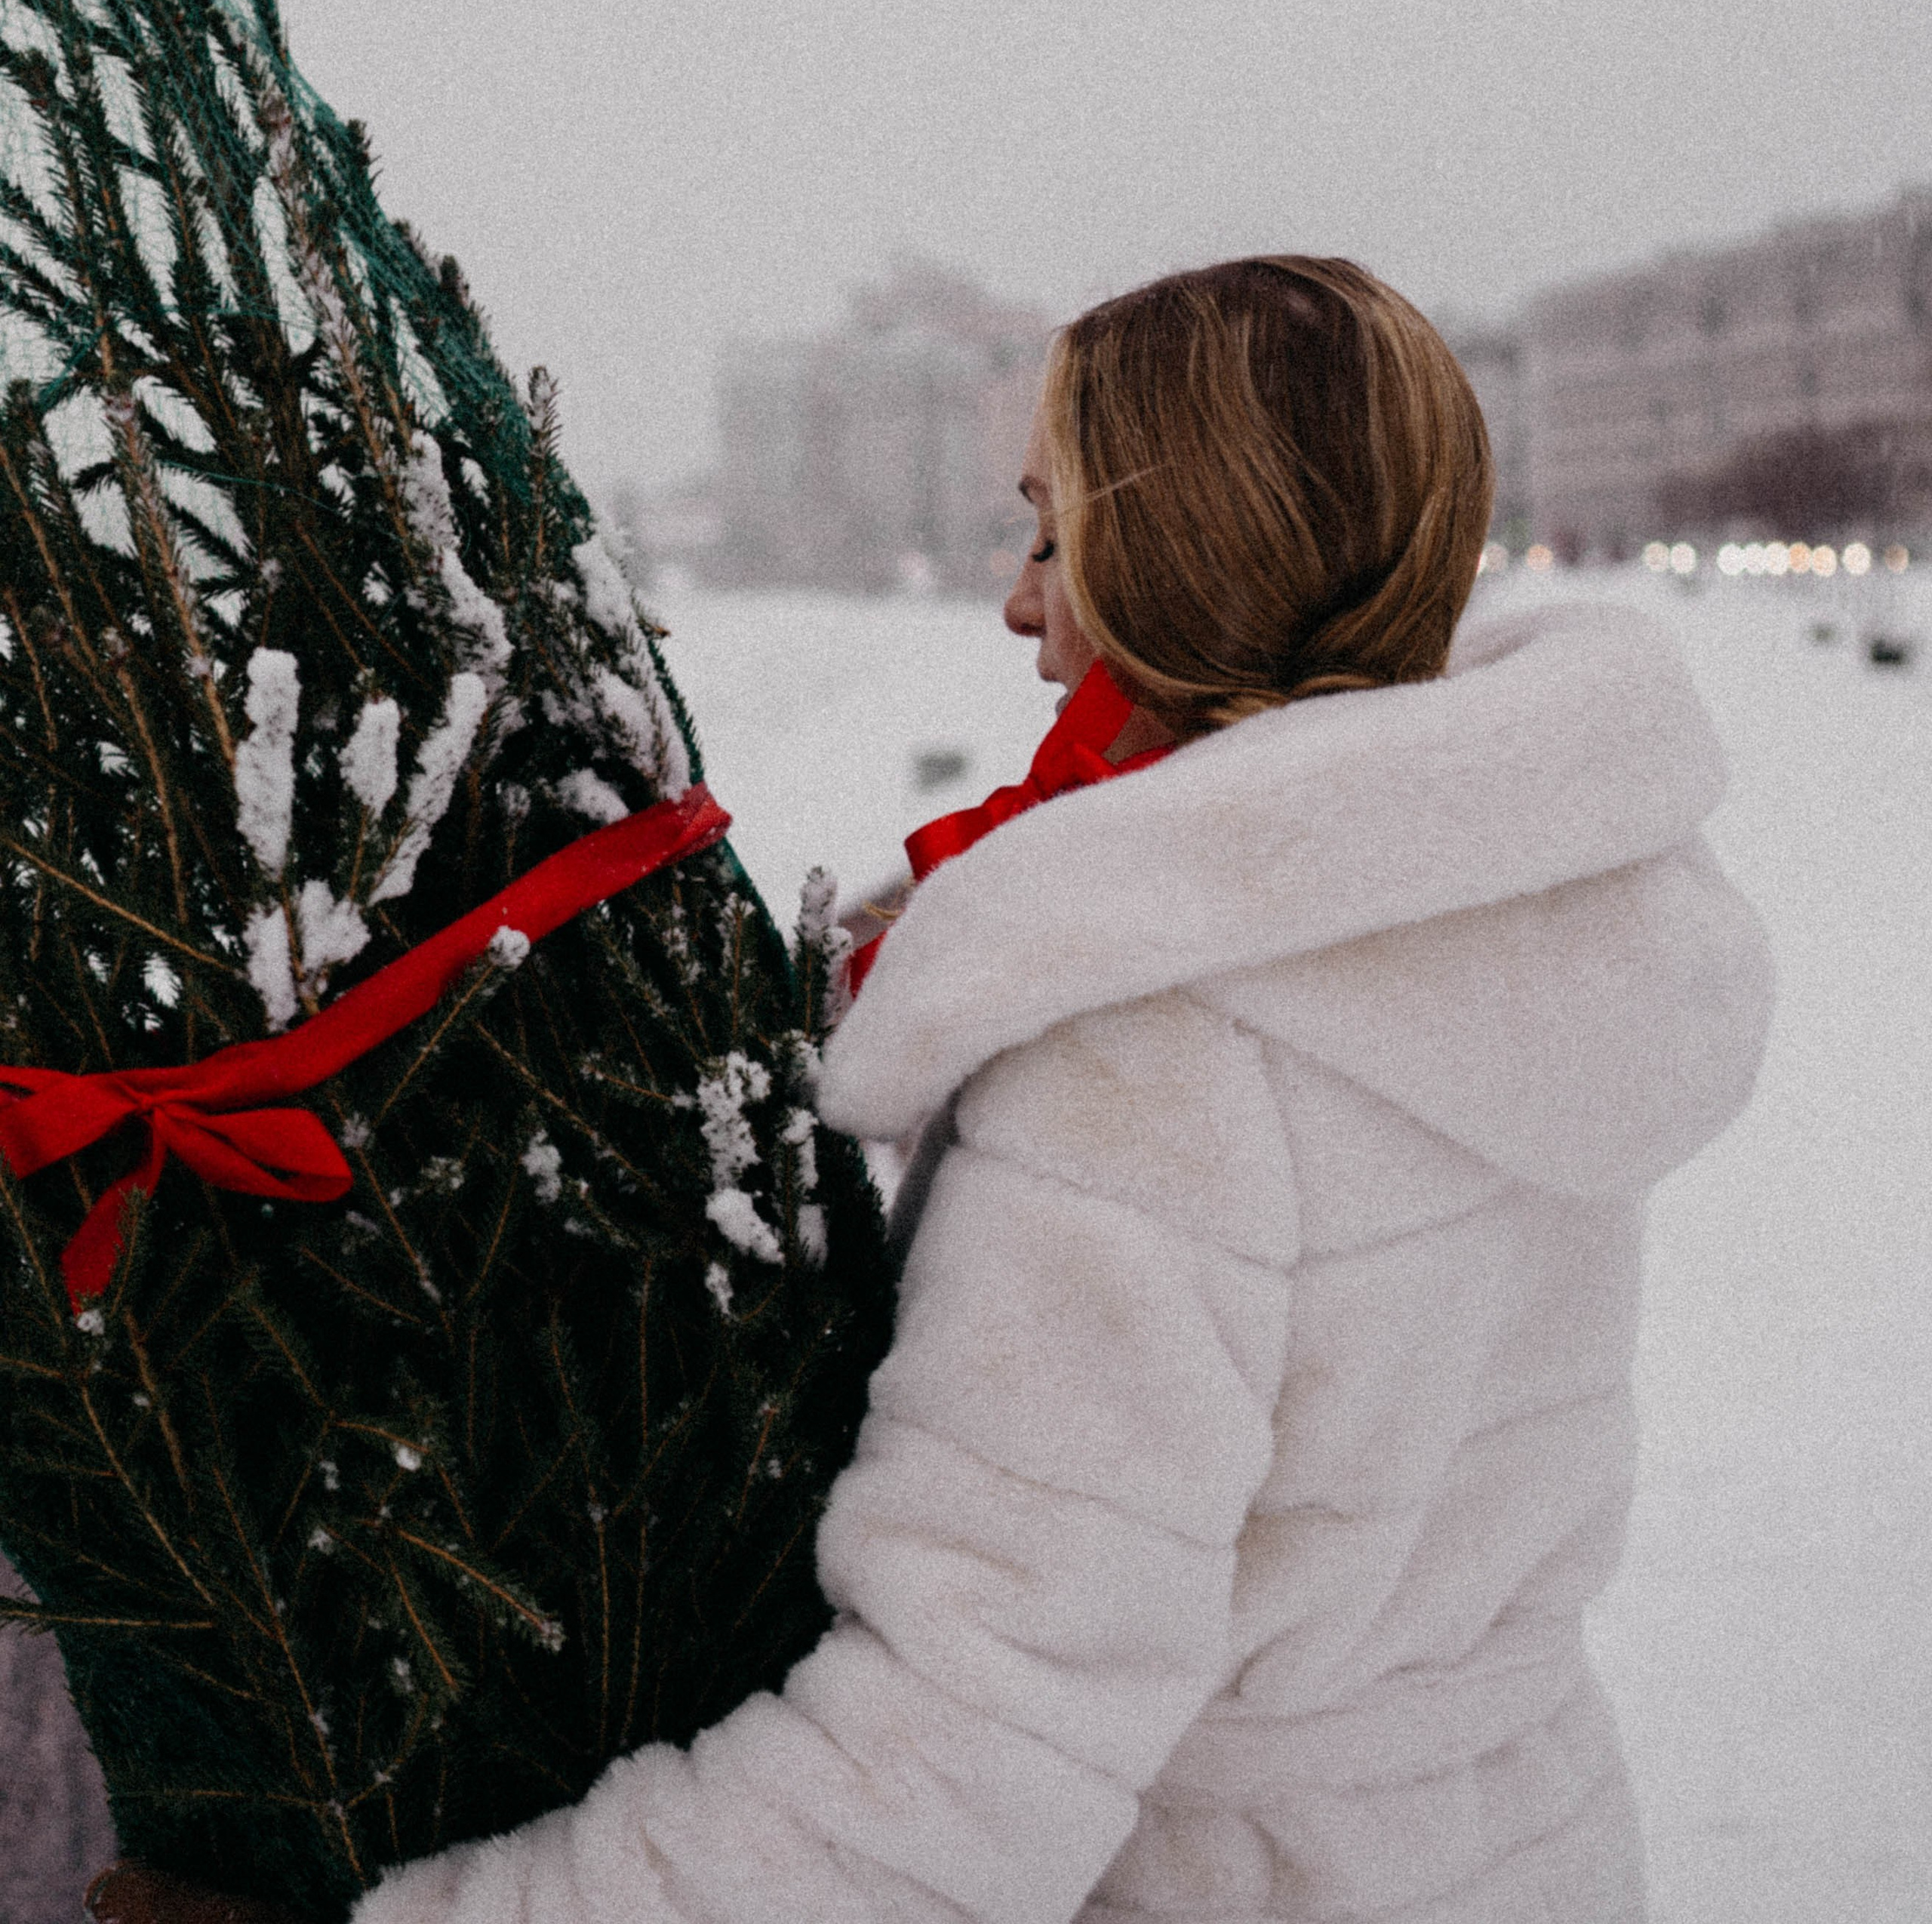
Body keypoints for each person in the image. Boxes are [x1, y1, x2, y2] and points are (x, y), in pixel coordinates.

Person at [352, 254, 1770, 1924]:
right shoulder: (1504, 925)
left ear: (1177, 550)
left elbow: (951, 1768)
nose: (1019, 607)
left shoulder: (1153, 1055)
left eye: (1049, 532)